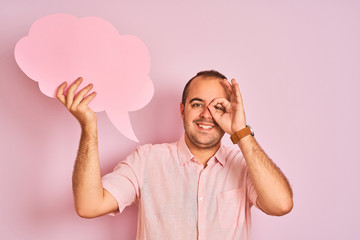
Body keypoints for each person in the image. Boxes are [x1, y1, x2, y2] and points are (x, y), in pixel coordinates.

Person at [56, 70, 293, 240]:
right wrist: (89, 127)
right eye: (197, 104)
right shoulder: (146, 160)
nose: (207, 115)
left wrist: (242, 132)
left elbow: (281, 205)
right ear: (182, 110)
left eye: (218, 106)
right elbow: (89, 206)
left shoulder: (244, 166)